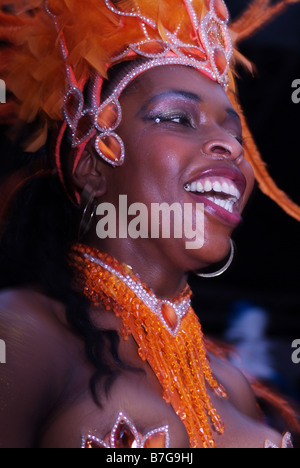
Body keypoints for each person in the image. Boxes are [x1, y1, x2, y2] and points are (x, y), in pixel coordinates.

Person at [0, 0, 299, 449]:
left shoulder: (230, 384)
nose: (230, 147)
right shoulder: (23, 333)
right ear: (92, 169)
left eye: (234, 132)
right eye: (178, 118)